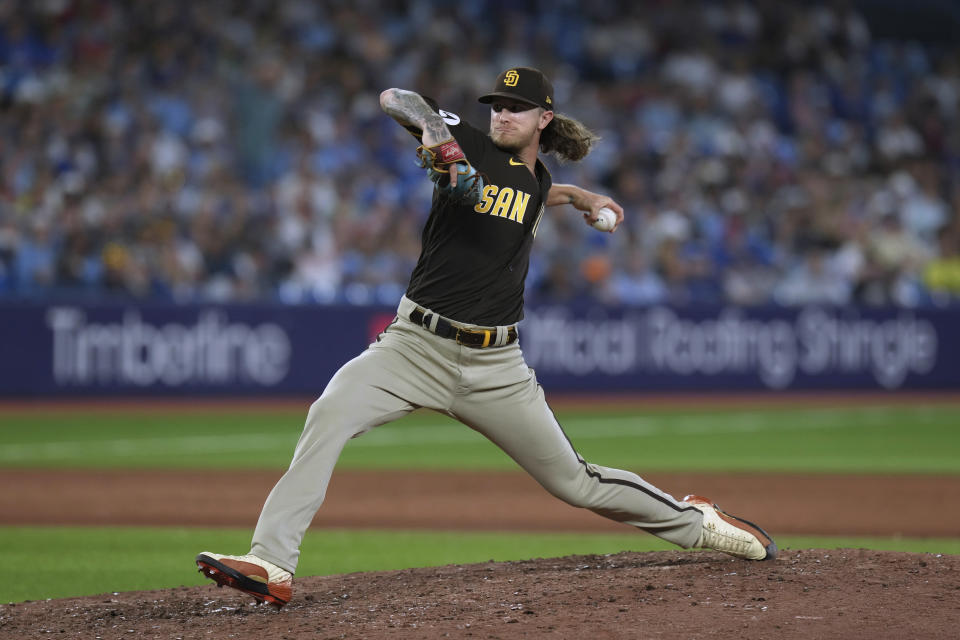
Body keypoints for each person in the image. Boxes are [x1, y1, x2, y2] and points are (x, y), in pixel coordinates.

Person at [196, 67, 777, 609]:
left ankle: (697, 523)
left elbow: (529, 194)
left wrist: (579, 196)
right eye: (497, 106)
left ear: (542, 119)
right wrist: (438, 139)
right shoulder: (471, 145)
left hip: (497, 367)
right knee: (329, 413)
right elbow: (396, 99)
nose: (502, 116)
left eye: (516, 108)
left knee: (576, 483)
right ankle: (272, 563)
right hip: (412, 347)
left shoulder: (536, 178)